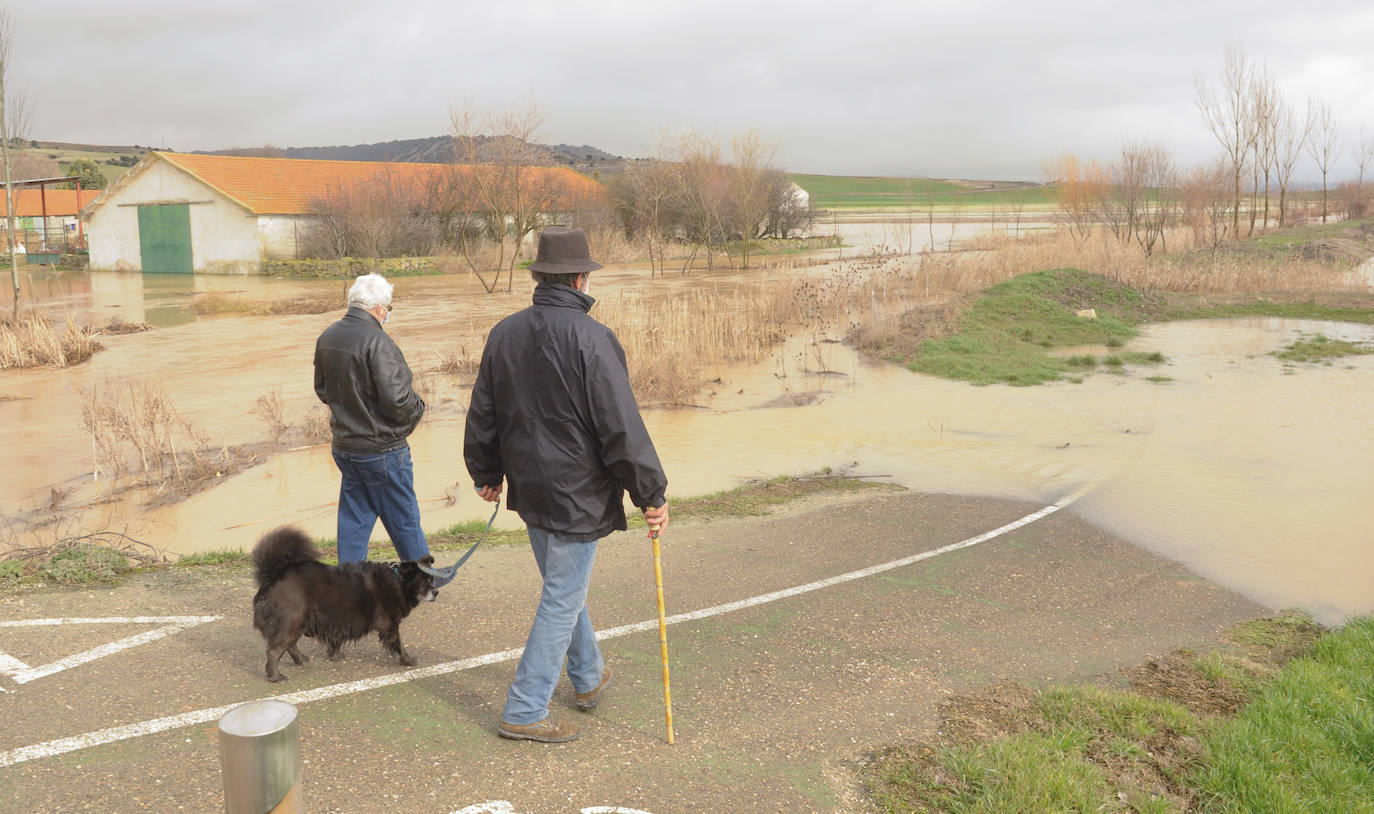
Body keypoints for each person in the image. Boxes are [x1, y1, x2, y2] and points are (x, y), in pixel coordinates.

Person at [465, 226, 669, 743]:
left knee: (563, 589)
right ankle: (525, 708)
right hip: (576, 493)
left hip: (531, 489)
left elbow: (483, 412)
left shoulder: (504, 333)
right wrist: (651, 494)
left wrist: (486, 472)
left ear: (541, 277)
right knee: (562, 595)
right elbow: (620, 424)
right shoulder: (593, 338)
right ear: (580, 279)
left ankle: (587, 677)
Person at [314, 272, 430, 564]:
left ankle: (348, 582)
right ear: (379, 308)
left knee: (355, 518)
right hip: (382, 450)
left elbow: (323, 390)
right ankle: (422, 579)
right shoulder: (378, 342)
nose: (388, 314)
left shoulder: (328, 336)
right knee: (403, 515)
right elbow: (397, 400)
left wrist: (351, 413)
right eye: (388, 309)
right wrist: (418, 410)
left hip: (345, 446)